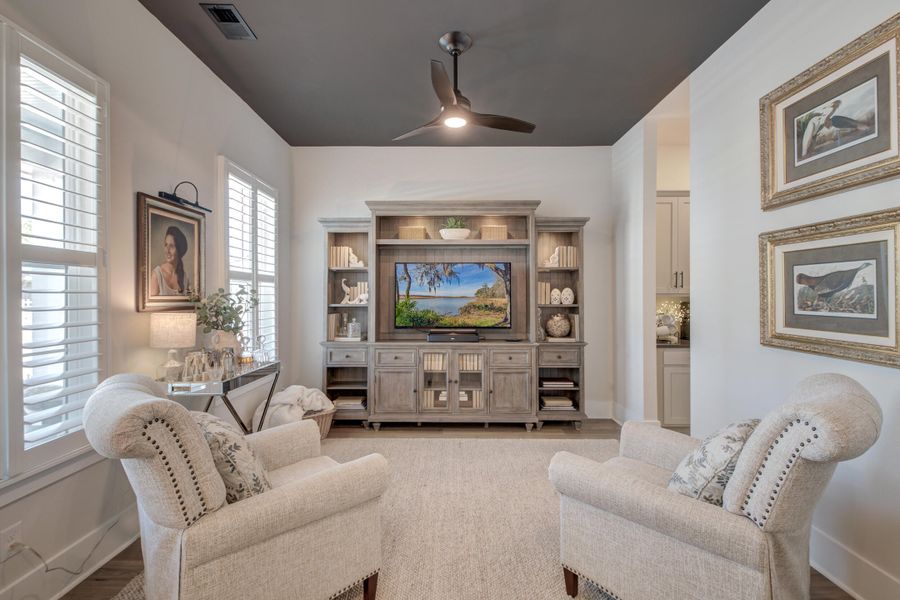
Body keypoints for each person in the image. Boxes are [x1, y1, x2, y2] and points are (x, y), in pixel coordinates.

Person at [150, 225, 190, 296]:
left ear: (179, 250)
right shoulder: (157, 275)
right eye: (166, 245)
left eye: (171, 246)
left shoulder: (184, 278)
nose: (167, 250)